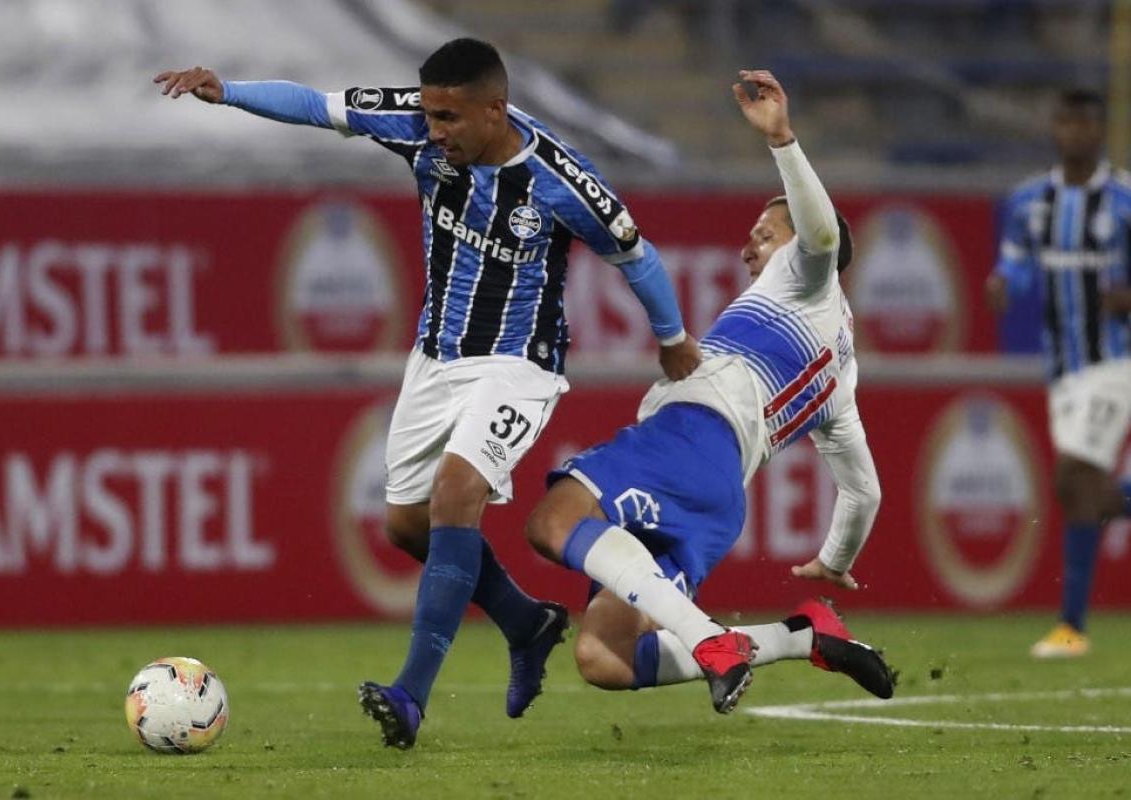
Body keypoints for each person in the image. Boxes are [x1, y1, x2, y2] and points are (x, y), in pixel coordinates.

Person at [154, 38, 702, 748]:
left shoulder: (559, 179)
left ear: (494, 109)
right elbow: (317, 106)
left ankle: (410, 696)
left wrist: (671, 336)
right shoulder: (413, 122)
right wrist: (227, 90)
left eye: (449, 117)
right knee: (406, 526)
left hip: (518, 365)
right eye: (430, 114)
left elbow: (636, 256)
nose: (434, 130)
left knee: (455, 493)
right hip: (434, 358)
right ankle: (526, 622)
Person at [525, 69, 894, 711]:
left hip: (689, 438)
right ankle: (801, 635)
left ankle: (707, 641)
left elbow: (822, 235)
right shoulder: (842, 379)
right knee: (605, 656)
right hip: (719, 498)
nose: (750, 247)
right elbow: (865, 492)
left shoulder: (807, 279)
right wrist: (834, 562)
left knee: (552, 521)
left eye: (766, 234)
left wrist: (782, 141)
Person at [986, 88, 1131, 659]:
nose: (1075, 133)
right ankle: (1071, 627)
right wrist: (1003, 283)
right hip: (1063, 370)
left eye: (1085, 124)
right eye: (1066, 123)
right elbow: (1016, 265)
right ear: (1055, 128)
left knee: (1076, 474)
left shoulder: (1123, 200)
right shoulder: (1030, 202)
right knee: (1078, 492)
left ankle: (1072, 627)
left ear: (1100, 130)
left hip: (1115, 360)